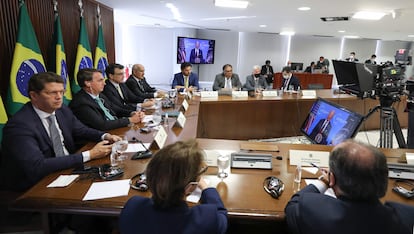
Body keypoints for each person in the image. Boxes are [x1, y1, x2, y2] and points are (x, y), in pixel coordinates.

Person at [0, 72, 121, 192]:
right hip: (36, 184)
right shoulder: (19, 125)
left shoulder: (61, 110)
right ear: (34, 95)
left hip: (68, 169)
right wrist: (90, 154)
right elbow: (37, 166)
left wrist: (106, 136)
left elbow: (81, 130)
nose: (59, 97)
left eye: (61, 92)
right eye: (52, 93)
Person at [285, 140, 414, 234]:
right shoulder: (406, 217)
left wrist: (324, 181)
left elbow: (293, 205)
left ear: (333, 179)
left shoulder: (312, 209)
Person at [119, 139, 228, 234]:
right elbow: (221, 214)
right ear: (189, 187)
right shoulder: (206, 219)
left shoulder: (132, 207)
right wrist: (207, 188)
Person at [69, 68, 145, 131]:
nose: (104, 83)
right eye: (100, 80)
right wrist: (130, 120)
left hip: (114, 130)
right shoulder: (81, 103)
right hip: (98, 139)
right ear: (88, 83)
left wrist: (133, 113)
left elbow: (116, 109)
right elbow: (102, 125)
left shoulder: (100, 95)